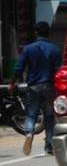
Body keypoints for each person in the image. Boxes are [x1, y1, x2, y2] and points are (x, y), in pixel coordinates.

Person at [10, 21, 61, 156]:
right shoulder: (55, 49)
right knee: (49, 117)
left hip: (33, 86)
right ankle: (49, 146)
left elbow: (19, 68)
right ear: (48, 33)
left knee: (31, 114)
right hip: (50, 86)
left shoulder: (28, 49)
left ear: (36, 33)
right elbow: (58, 71)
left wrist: (13, 82)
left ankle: (28, 133)